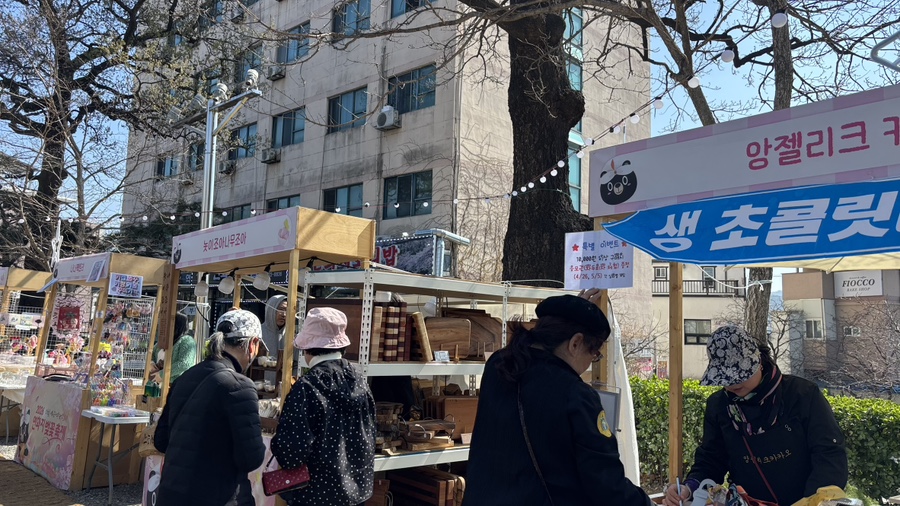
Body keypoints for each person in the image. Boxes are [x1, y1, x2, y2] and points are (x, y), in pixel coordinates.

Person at [464, 290, 652, 506]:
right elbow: (607, 484)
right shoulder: (576, 395)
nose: (590, 362)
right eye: (594, 354)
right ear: (575, 343)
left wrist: (573, 311)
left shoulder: (499, 365)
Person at [663, 325, 848, 506]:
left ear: (758, 363)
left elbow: (829, 454)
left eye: (740, 375)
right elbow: (711, 460)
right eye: (725, 378)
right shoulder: (719, 406)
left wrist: (813, 502)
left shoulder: (802, 395)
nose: (733, 384)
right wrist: (690, 487)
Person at [153, 309, 266, 506]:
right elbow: (251, 458)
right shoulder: (241, 386)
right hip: (219, 496)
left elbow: (161, 441)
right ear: (252, 344)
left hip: (171, 494)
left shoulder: (185, 378)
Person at [271, 307, 376, 506]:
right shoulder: (360, 382)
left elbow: (291, 452)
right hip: (357, 492)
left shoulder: (307, 386)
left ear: (307, 348)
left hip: (316, 494)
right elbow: (369, 435)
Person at [150, 313, 196, 384]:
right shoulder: (165, 340)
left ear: (176, 326)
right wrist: (151, 363)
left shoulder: (187, 341)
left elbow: (184, 364)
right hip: (158, 384)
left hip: (177, 385)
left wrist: (162, 374)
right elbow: (151, 353)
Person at [261, 295, 299, 378]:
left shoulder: (291, 336)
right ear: (270, 310)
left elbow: (296, 364)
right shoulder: (258, 333)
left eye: (287, 310)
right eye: (281, 309)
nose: (284, 314)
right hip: (259, 384)